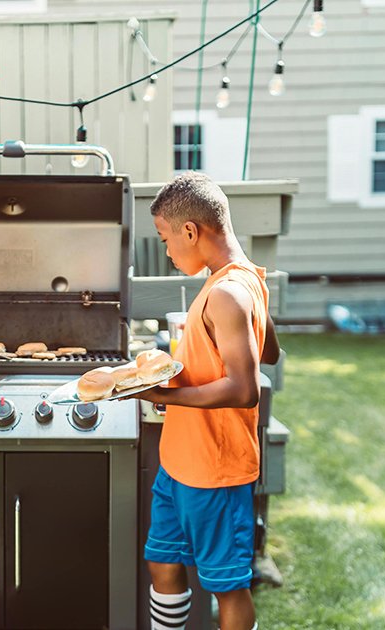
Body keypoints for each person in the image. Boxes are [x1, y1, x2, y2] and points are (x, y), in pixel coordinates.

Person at [135, 172, 280, 630]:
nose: (167, 249)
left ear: (191, 231)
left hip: (216, 471)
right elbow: (269, 349)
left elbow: (244, 387)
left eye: (165, 238)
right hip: (180, 464)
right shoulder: (245, 281)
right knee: (163, 563)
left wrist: (167, 394)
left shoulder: (228, 293)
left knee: (227, 585)